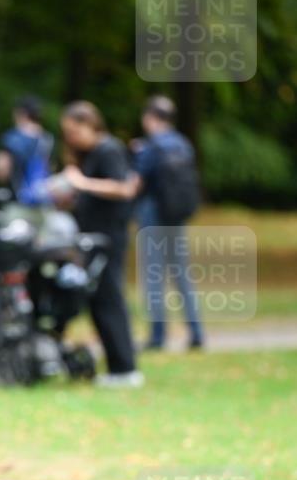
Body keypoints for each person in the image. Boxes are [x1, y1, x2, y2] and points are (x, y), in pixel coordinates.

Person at [58, 101, 144, 388]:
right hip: (92, 239)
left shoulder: (109, 149)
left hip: (109, 238)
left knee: (110, 301)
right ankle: (117, 368)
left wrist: (82, 183)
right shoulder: (90, 154)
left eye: (74, 131)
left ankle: (126, 368)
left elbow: (123, 188)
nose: (70, 138)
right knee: (98, 302)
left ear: (90, 124)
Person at [131, 96, 203, 351]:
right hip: (177, 216)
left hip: (153, 215)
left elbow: (136, 183)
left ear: (150, 118)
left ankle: (157, 336)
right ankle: (196, 332)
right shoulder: (184, 144)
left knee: (154, 276)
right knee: (182, 275)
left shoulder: (151, 147)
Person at [0, 95, 54, 206]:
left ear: (21, 113)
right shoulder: (48, 139)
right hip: (44, 205)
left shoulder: (12, 138)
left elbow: (1, 173)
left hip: (17, 205)